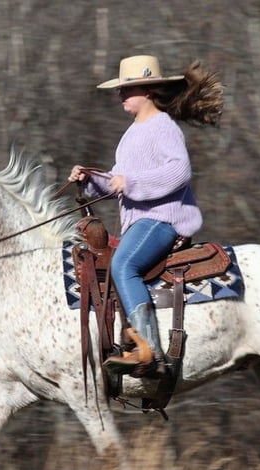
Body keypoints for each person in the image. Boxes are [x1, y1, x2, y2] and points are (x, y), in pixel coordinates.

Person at [68, 54, 223, 378]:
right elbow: (117, 182)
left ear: (148, 91)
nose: (120, 94)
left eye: (127, 89)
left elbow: (179, 171)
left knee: (124, 265)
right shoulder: (131, 134)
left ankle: (148, 350)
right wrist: (91, 182)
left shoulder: (162, 127)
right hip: (141, 223)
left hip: (162, 220)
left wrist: (132, 183)